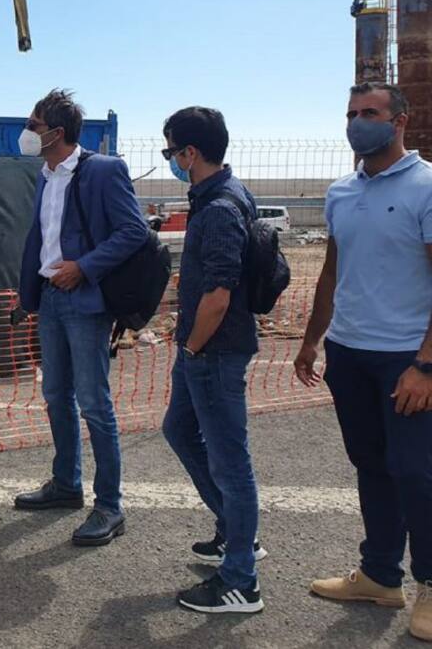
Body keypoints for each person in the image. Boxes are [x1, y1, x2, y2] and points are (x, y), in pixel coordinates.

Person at [295, 83, 432, 642]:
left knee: (417, 472)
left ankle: (430, 585)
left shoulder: (426, 185)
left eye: (369, 113)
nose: (357, 122)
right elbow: (332, 271)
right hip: (348, 352)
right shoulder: (340, 191)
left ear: (401, 119)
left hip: (406, 356)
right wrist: (311, 341)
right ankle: (379, 575)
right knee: (371, 464)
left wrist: (425, 364)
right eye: (351, 114)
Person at [13, 89, 149, 547]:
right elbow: (41, 237)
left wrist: (84, 267)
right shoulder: (46, 175)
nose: (27, 133)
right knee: (55, 394)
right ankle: (66, 485)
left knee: (93, 402)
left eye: (34, 125)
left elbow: (134, 231)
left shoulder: (103, 171)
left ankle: (109, 506)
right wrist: (29, 294)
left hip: (85, 301)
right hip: (51, 299)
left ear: (56, 132)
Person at [160, 106, 265, 614]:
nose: (172, 162)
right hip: (201, 350)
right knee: (179, 430)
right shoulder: (220, 195)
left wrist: (193, 347)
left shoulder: (220, 206)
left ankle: (241, 580)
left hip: (213, 352)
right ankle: (234, 532)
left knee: (230, 461)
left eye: (171, 152)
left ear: (190, 153)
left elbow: (219, 294)